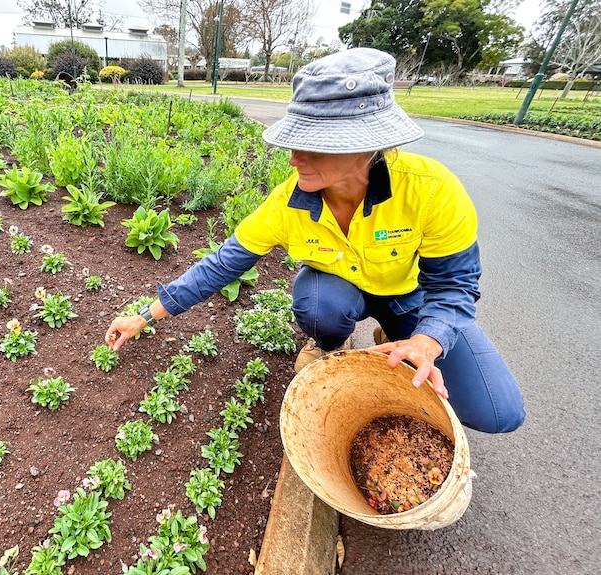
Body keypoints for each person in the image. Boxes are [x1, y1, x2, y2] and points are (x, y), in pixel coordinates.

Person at [104, 48, 525, 434]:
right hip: (337, 295)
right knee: (321, 308)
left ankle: (396, 339)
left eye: (315, 145)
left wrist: (428, 340)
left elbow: (454, 286)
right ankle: (332, 345)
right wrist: (144, 315)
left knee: (498, 412)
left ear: (369, 147)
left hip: (408, 299)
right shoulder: (288, 202)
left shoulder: (431, 190)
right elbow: (222, 264)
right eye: (294, 142)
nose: (294, 157)